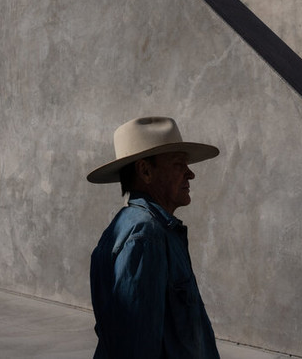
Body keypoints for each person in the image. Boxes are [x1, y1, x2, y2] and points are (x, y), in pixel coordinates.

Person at [87, 116, 221, 358]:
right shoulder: (146, 236)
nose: (190, 174)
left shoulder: (151, 229)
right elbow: (135, 346)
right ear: (146, 171)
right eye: (179, 165)